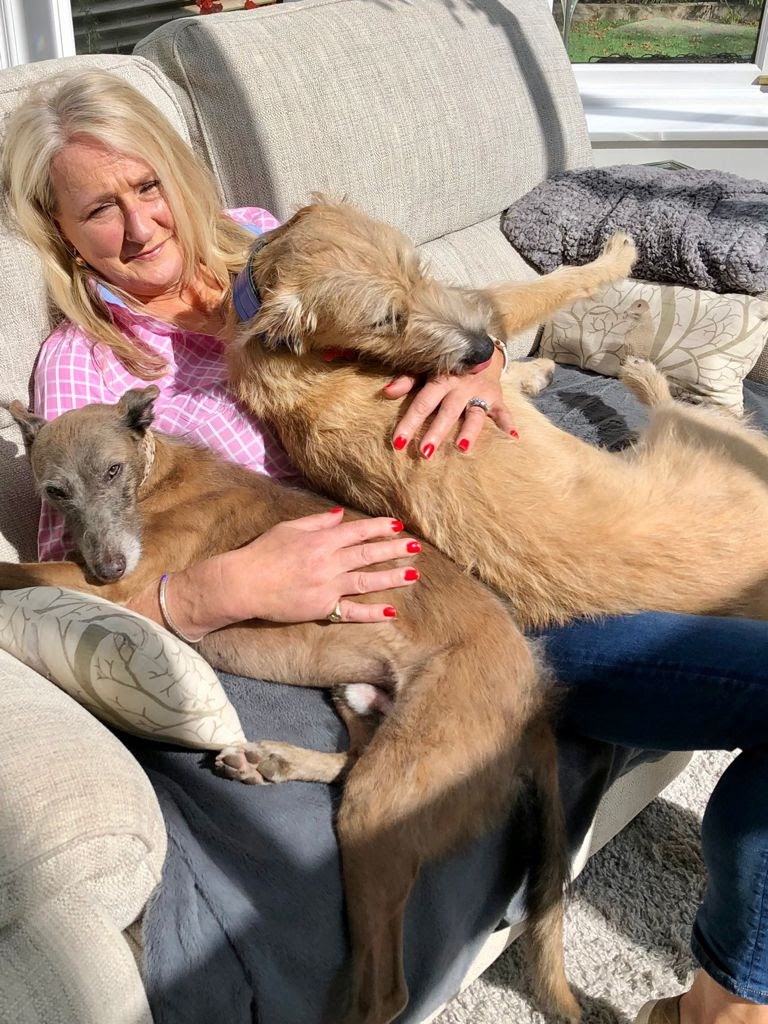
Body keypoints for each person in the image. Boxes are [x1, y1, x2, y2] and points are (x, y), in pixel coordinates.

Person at [3, 69, 767, 1024]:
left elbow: (432, 313)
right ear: (59, 229)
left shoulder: (263, 239)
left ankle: (720, 1006)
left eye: (147, 186)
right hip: (491, 610)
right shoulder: (86, 369)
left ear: (179, 175)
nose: (139, 224)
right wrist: (210, 592)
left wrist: (480, 366)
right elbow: (80, 581)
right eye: (98, 209)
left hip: (519, 525)